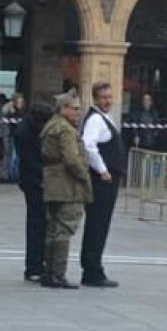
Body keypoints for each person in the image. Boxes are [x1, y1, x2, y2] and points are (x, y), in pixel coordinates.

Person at [40, 92, 91, 289]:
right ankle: (58, 274)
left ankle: (49, 271)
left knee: (53, 229)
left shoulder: (52, 125)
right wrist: (83, 174)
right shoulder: (66, 129)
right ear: (63, 109)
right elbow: (71, 158)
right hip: (67, 185)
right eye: (75, 108)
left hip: (53, 183)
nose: (79, 112)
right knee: (64, 228)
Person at [80, 82, 126, 288]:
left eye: (109, 96)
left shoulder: (103, 118)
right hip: (103, 181)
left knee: (100, 223)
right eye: (103, 97)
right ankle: (92, 269)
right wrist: (102, 169)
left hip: (107, 179)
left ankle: (93, 266)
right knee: (97, 223)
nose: (107, 101)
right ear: (95, 99)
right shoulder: (96, 120)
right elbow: (88, 145)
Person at [16, 102, 54, 282]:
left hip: (35, 178)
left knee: (40, 223)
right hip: (33, 181)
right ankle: (33, 266)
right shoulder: (25, 132)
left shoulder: (29, 127)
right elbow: (30, 160)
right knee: (36, 223)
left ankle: (38, 263)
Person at [5, 93, 27, 183]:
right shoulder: (11, 113)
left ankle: (17, 175)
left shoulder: (24, 113)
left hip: (21, 136)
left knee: (19, 157)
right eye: (18, 102)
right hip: (14, 136)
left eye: (21, 102)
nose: (20, 104)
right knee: (13, 156)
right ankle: (12, 175)